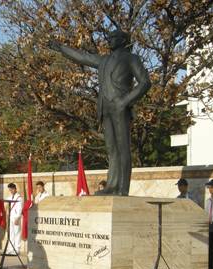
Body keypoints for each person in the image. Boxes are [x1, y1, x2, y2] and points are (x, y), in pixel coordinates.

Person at [50, 30, 151, 196]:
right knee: (112, 149)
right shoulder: (103, 60)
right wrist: (61, 48)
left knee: (123, 148)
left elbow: (145, 82)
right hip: (105, 107)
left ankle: (123, 188)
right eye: (109, 38)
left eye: (113, 37)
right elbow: (82, 57)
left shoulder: (131, 58)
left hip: (120, 106)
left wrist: (125, 101)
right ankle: (112, 185)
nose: (109, 40)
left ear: (124, 40)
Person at [6, 183, 23, 255]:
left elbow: (20, 209)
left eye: (12, 189)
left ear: (15, 189)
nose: (11, 191)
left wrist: (17, 218)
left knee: (17, 233)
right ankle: (11, 249)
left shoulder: (19, 198)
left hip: (16, 217)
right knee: (11, 233)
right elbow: (8, 208)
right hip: (11, 217)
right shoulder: (10, 197)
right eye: (10, 190)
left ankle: (17, 249)